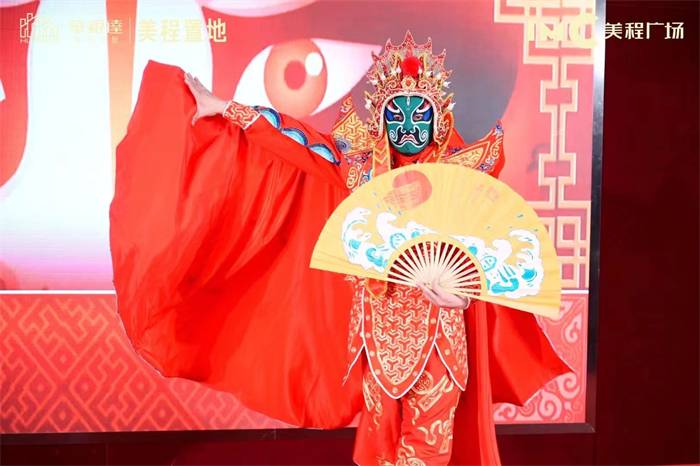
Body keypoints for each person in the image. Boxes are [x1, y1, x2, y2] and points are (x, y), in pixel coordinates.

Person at [110, 32, 569, 465]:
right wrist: (227, 107)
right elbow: (298, 144)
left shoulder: (461, 176)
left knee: (427, 445)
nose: (408, 127)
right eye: (396, 115)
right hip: (375, 334)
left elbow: (489, 256)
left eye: (419, 115)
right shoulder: (362, 170)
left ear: (438, 118)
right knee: (379, 442)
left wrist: (462, 296)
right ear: (381, 117)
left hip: (440, 337)